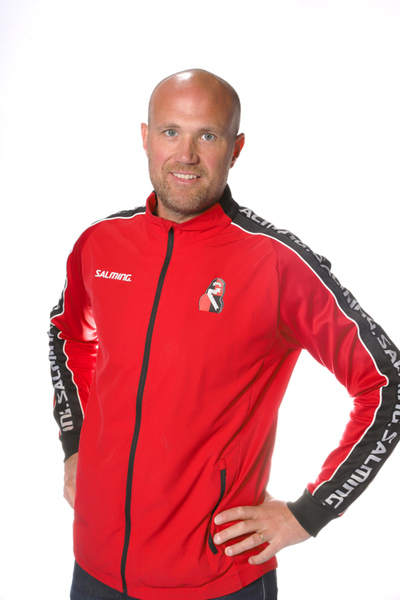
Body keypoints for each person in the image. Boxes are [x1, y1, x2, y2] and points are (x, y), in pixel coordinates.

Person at [49, 69, 400, 600]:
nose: (186, 154)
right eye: (171, 132)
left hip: (217, 579)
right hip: (95, 569)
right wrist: (74, 443)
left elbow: (387, 382)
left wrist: (311, 512)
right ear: (145, 137)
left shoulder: (275, 263)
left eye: (208, 135)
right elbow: (68, 335)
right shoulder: (101, 243)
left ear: (236, 149)